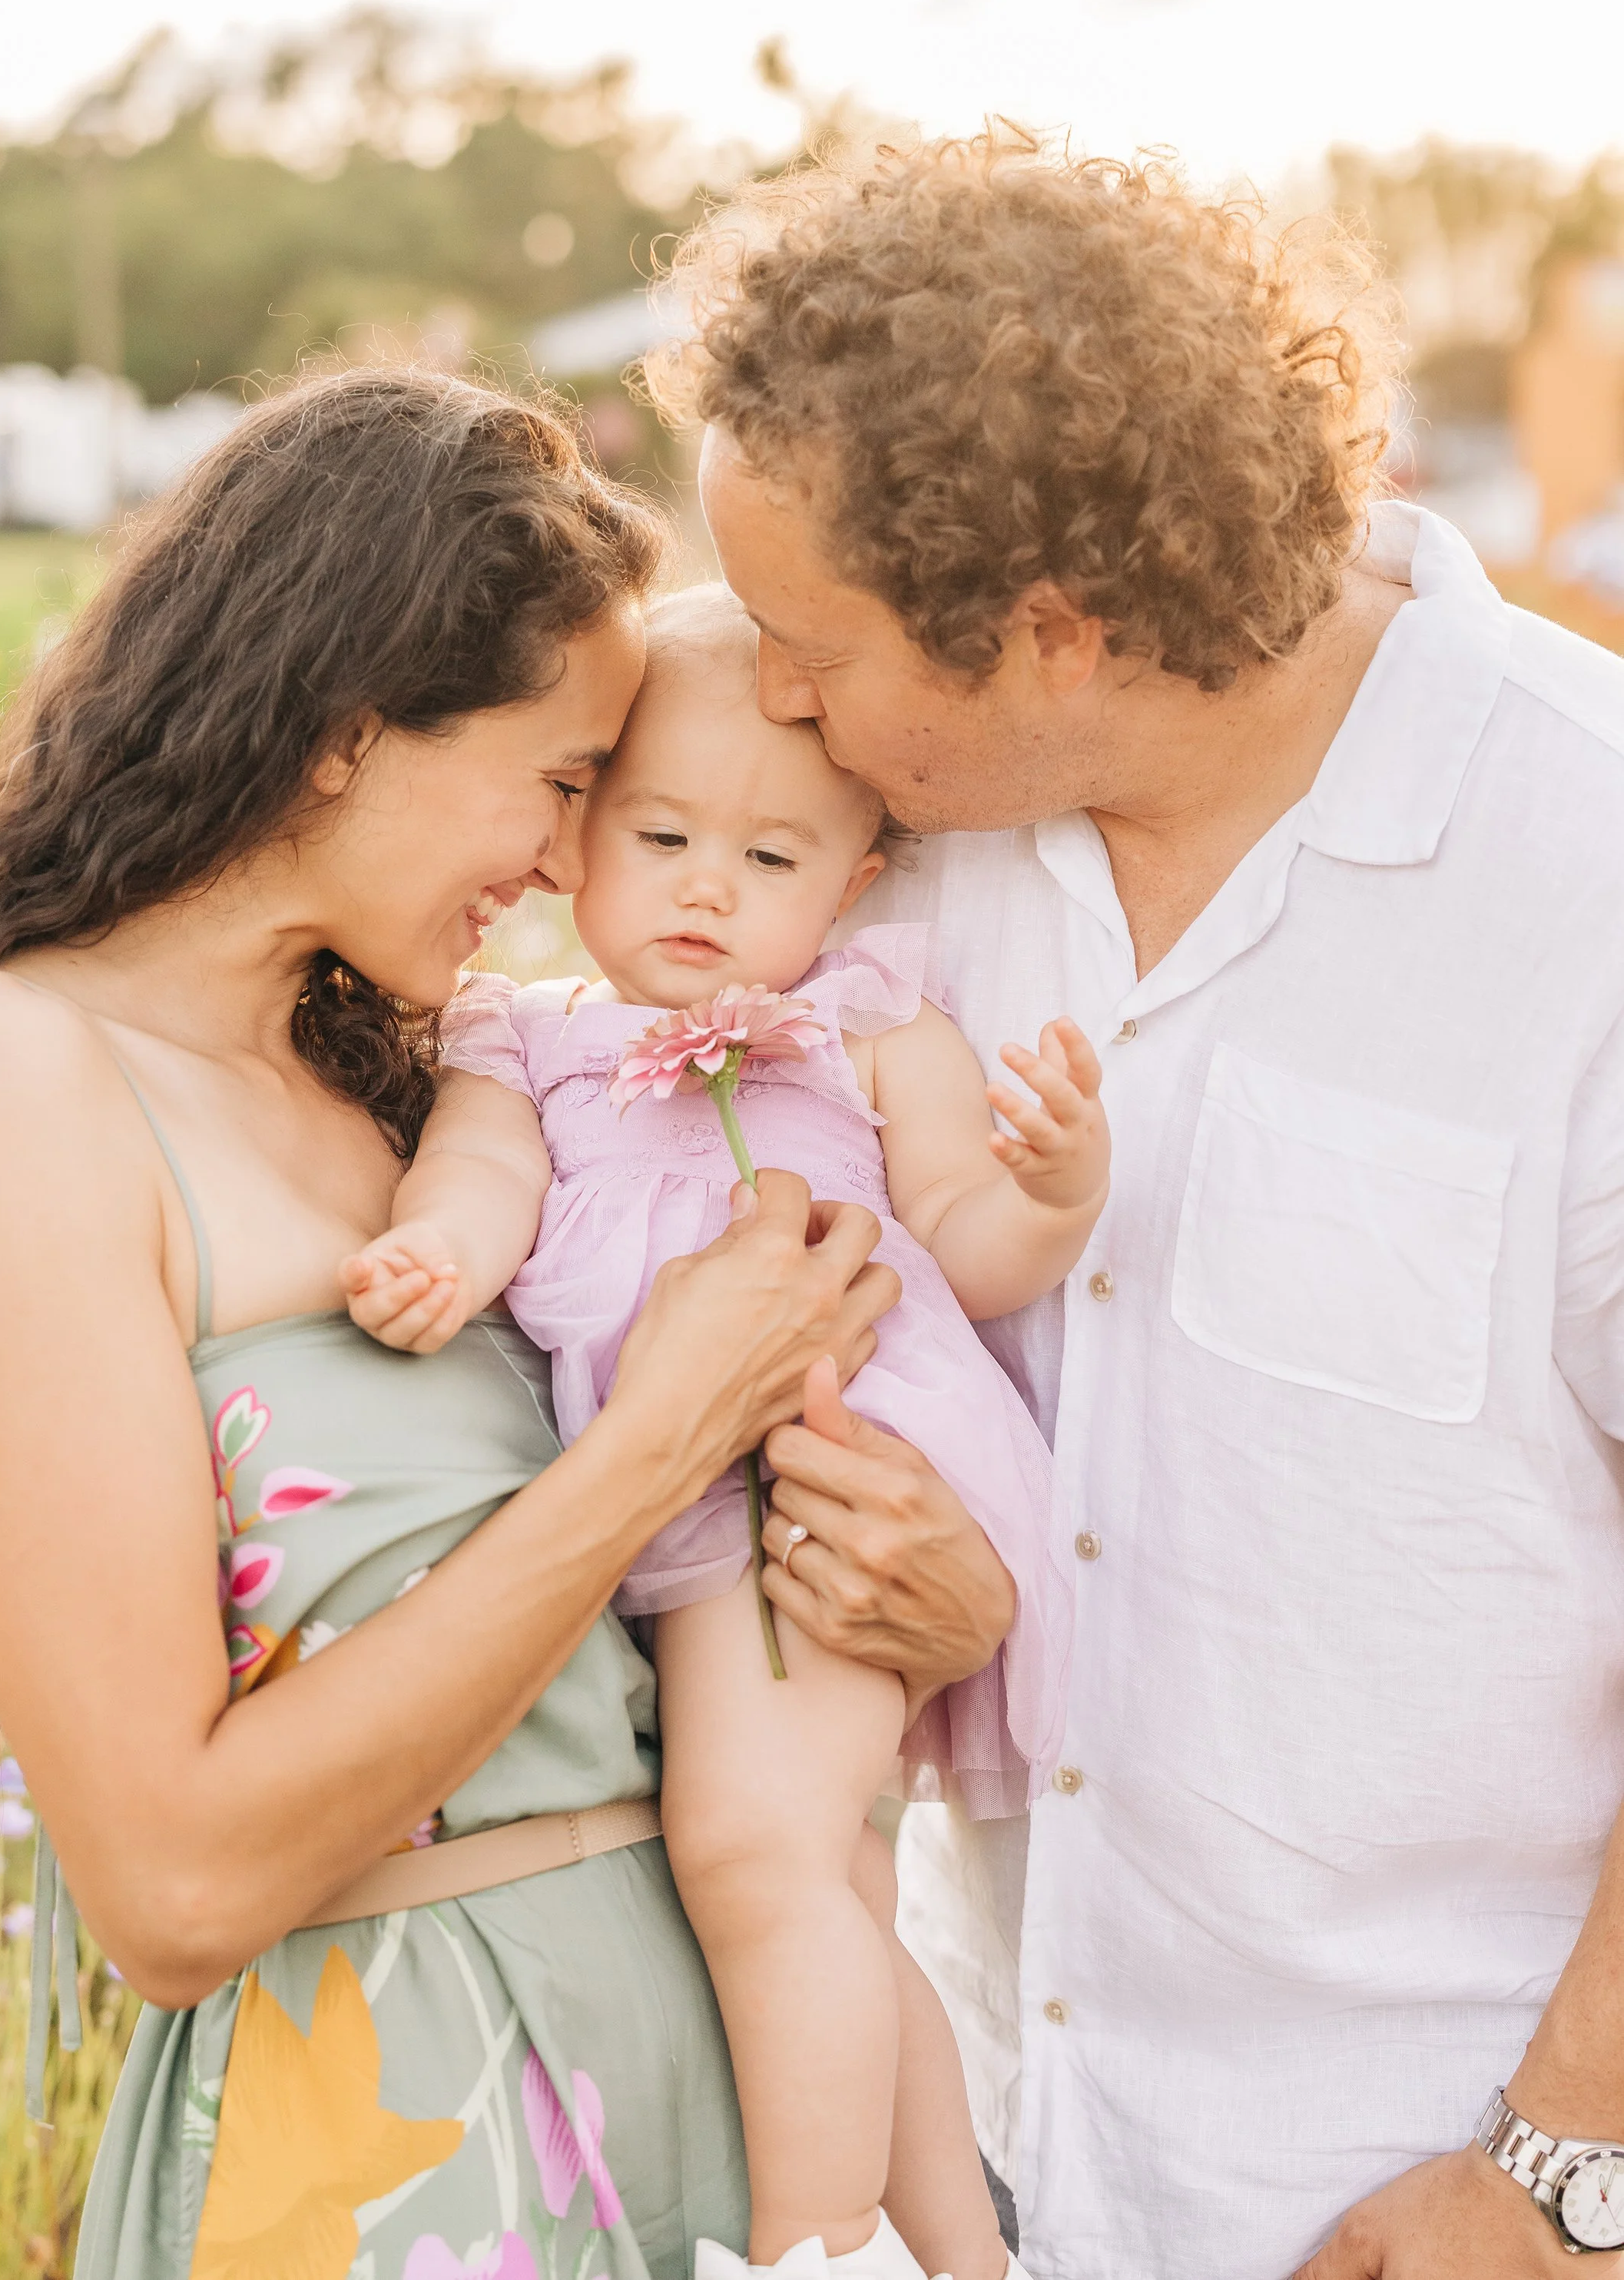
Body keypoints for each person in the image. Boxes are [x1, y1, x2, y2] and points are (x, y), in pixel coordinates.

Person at [0, 370, 966, 2280]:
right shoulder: (7, 1080)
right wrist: (655, 1440)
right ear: (344, 735)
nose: (568, 861)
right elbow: (172, 1883)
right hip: (401, 2142)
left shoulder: (419, 1088)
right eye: (561, 782)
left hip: (708, 2080)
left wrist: (929, 1578)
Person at [673, 132, 1624, 2280]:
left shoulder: (1586, 867)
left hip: (1431, 2189)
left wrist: (1563, 2166)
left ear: (1051, 633)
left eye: (808, 643)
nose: (773, 694)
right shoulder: (875, 858)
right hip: (986, 2168)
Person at [344, 581, 1106, 2280]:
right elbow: (483, 1172)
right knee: (824, 1878)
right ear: (577, 840)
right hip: (676, 1479)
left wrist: (1053, 1195)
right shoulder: (525, 1035)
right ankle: (959, 2257)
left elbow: (966, 1240)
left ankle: (809, 2247)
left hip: (834, 1465)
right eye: (662, 833)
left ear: (854, 882)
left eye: (769, 858)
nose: (707, 886)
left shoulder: (858, 1021)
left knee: (749, 1850)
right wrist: (438, 1249)